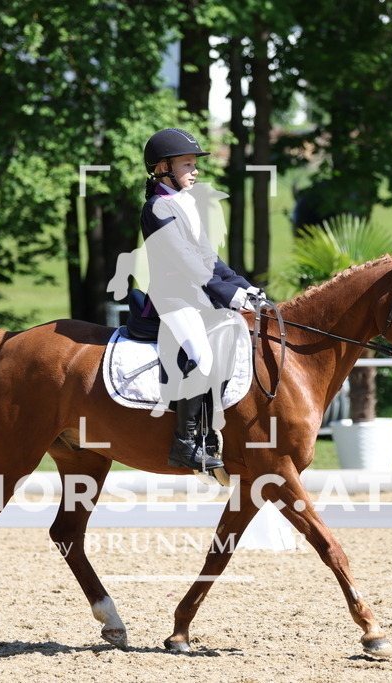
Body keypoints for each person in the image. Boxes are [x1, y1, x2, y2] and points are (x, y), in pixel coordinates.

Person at [132, 128, 264, 474]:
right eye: (187, 164)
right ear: (163, 168)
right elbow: (184, 262)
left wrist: (244, 287)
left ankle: (210, 435)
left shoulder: (185, 203)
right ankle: (186, 443)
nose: (195, 170)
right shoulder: (157, 208)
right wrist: (228, 295)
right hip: (172, 299)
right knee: (201, 358)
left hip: (196, 298)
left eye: (194, 164)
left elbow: (209, 258)